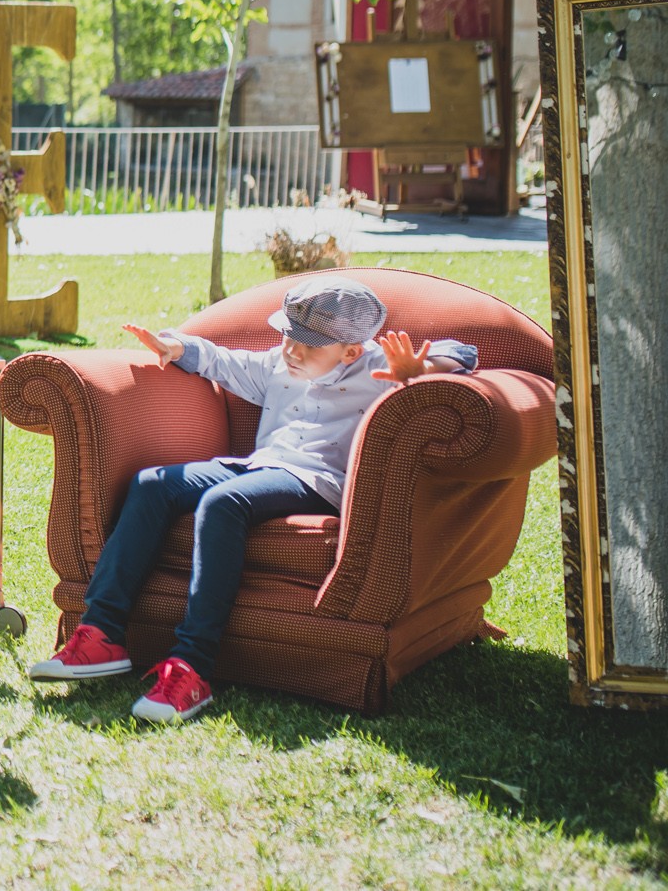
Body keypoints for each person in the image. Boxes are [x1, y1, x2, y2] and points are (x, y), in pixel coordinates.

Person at [27, 275, 478, 723]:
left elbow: (465, 354)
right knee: (151, 484)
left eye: (309, 345)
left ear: (350, 352)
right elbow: (224, 362)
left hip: (317, 482)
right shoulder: (280, 365)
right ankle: (102, 633)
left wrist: (421, 372)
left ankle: (192, 666)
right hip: (259, 467)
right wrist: (177, 347)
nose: (292, 351)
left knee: (223, 503)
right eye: (288, 337)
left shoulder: (379, 368)